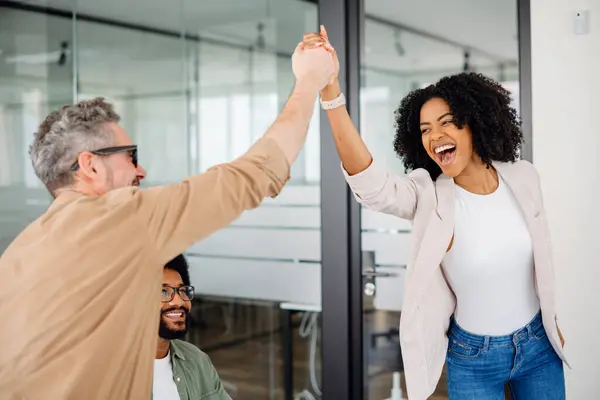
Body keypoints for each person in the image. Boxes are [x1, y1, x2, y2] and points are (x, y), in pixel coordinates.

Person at [0, 42, 334, 399]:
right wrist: (310, 79)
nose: (141, 170)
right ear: (90, 165)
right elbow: (254, 173)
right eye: (131, 156)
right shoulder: (117, 220)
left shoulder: (20, 253)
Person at [302, 27, 567, 400]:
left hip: (538, 347)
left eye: (445, 122)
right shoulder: (429, 195)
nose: (434, 135)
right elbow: (372, 185)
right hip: (474, 357)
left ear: (474, 121)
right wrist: (330, 94)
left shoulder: (522, 177)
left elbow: (543, 255)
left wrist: (552, 321)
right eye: (425, 129)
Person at [154, 254, 230, 400]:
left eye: (182, 291)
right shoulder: (109, 374)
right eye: (163, 292)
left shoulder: (196, 360)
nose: (179, 302)